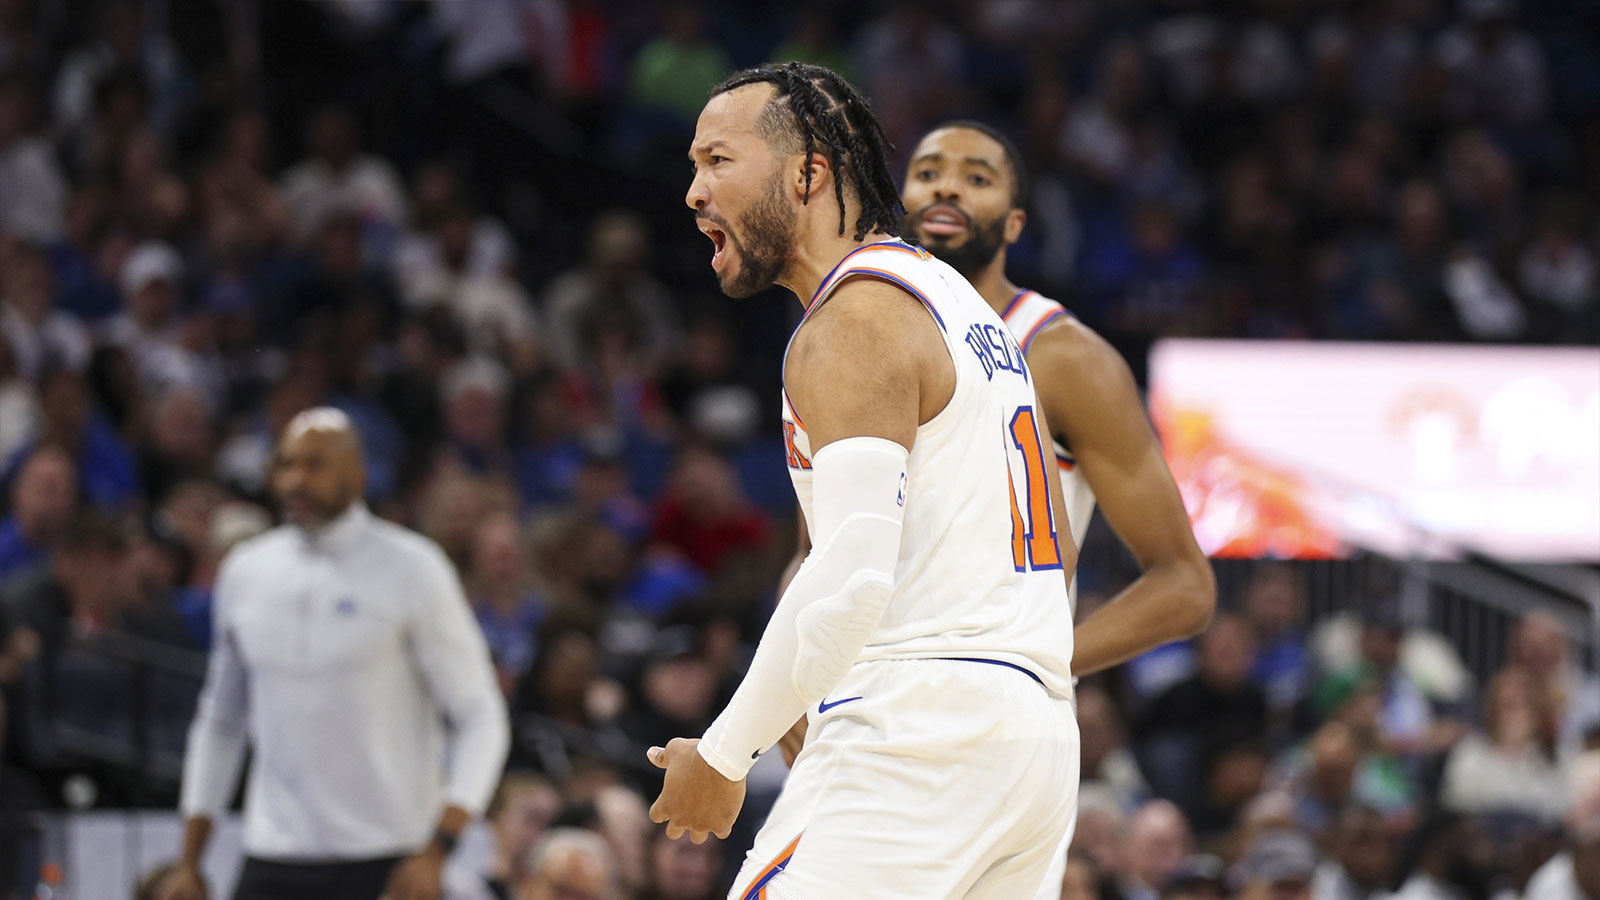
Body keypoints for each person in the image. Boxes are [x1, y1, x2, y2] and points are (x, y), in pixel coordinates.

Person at [650, 61, 1083, 897]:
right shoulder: (955, 301)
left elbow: (850, 579)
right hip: (1032, 736)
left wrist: (723, 752)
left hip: (920, 731)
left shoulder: (852, 322)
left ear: (808, 172)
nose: (695, 192)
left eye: (718, 161)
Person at [157, 407, 510, 900]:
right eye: (285, 464)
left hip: (391, 857)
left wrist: (440, 846)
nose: (296, 480)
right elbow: (221, 720)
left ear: (358, 474)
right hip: (273, 852)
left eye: (315, 465)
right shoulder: (245, 571)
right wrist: (190, 858)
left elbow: (480, 717)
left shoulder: (413, 568)